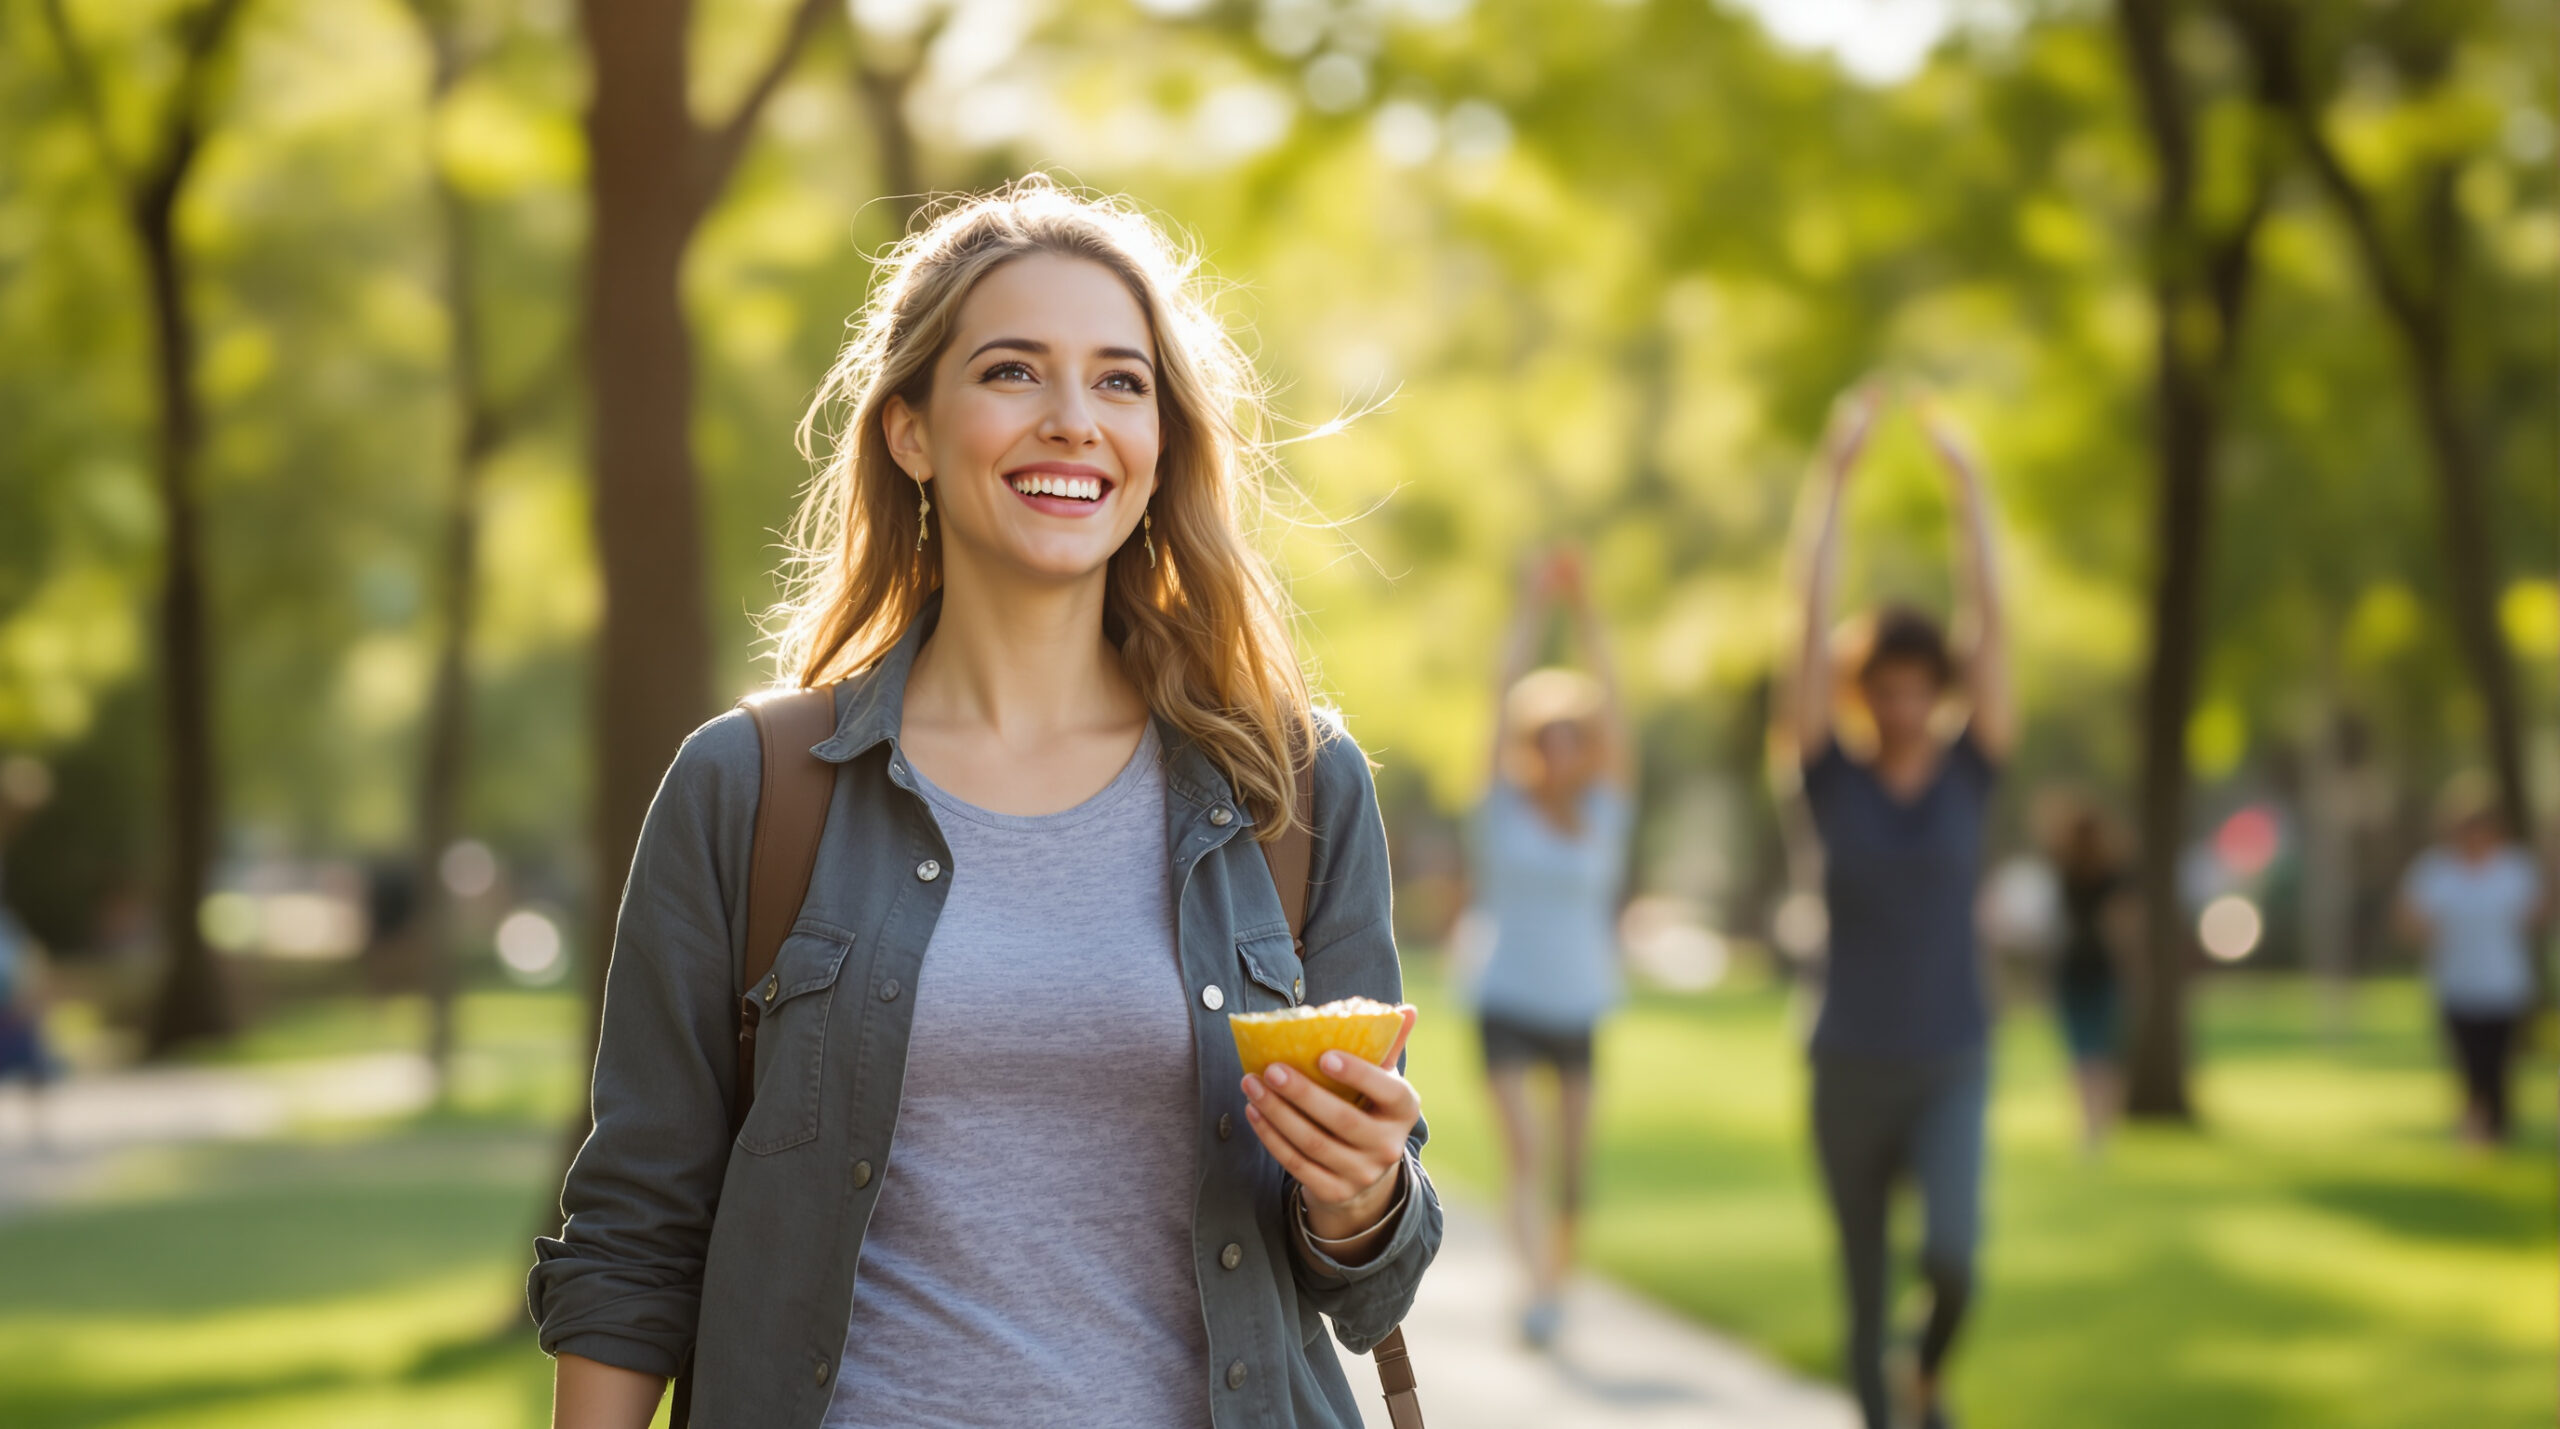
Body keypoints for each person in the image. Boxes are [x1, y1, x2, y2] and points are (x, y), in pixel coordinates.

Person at [531, 180, 1440, 1429]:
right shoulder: (748, 791)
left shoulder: (1289, 790)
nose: (1075, 422)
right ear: (909, 429)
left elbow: (1374, 1271)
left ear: (1160, 439)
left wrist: (1361, 1193)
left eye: (1121, 383)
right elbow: (636, 1232)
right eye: (1014, 372)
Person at [1781, 386, 2012, 1429]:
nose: (1906, 699)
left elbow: (1995, 623)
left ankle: (1929, 1375)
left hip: (1949, 1054)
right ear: (1862, 688)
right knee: (1864, 1302)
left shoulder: (1973, 772)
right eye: (1887, 681)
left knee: (1953, 1259)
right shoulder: (1829, 776)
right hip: (1848, 1064)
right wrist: (1832, 481)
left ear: (1943, 687)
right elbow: (1805, 622)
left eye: (1924, 682)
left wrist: (1969, 496)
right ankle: (1895, 1407)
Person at [1465, 547, 1635, 1348]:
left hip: (1579, 1000)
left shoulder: (1608, 813)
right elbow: (1499, 696)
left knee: (1572, 1168)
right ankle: (1534, 1287)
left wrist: (1588, 608)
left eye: (1575, 734)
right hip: (1504, 993)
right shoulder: (1499, 808)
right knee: (1526, 1153)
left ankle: (1555, 1283)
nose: (1561, 747)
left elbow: (1618, 705)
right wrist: (1535, 606)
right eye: (1548, 735)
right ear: (1533, 744)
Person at [2397, 780, 2548, 1148]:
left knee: (2497, 1064)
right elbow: (2408, 920)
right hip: (2456, 984)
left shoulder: (2514, 869)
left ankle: (2495, 1132)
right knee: (2469, 1063)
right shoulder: (2435, 871)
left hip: (2505, 984)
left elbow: (2537, 914)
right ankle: (2476, 1129)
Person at [2045, 801, 2129, 1154]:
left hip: (2074, 970)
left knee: (2083, 1054)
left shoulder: (2068, 874)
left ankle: (2090, 1128)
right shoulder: (2108, 876)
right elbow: (2122, 926)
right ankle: (2099, 1129)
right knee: (2101, 1053)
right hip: (2098, 970)